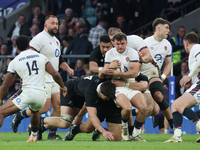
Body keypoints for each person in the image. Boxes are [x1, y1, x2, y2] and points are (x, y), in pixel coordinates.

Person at [11, 15, 74, 140]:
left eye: (57, 23)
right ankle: (20, 116)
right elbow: (30, 56)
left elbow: (58, 59)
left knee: (57, 105)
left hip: (54, 77)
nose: (56, 26)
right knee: (44, 107)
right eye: (53, 23)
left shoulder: (56, 40)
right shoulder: (38, 39)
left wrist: (67, 68)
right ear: (46, 25)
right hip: (42, 77)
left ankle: (51, 134)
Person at [0, 35, 67, 142]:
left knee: (1, 113)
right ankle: (33, 136)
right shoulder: (41, 57)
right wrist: (62, 86)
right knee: (35, 111)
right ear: (29, 45)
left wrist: (0, 98)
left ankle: (22, 121)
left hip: (27, 93)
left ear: (16, 47)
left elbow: (5, 85)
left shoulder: (15, 61)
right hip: (41, 95)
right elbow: (55, 74)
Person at [38, 75, 122, 141]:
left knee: (67, 121)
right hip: (69, 90)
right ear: (100, 92)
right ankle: (37, 120)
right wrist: (104, 132)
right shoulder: (90, 93)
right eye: (106, 97)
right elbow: (92, 116)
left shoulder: (105, 85)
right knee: (64, 123)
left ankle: (41, 128)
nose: (108, 99)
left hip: (80, 95)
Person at [104, 32, 149, 141]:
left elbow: (134, 73)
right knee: (127, 108)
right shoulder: (110, 53)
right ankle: (124, 125)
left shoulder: (133, 53)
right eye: (118, 44)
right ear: (113, 43)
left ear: (126, 43)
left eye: (122, 43)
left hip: (130, 85)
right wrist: (110, 67)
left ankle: (135, 133)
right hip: (117, 87)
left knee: (144, 108)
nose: (120, 46)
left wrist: (116, 74)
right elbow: (106, 72)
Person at [165, 33, 200, 143]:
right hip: (196, 84)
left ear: (186, 43)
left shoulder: (196, 47)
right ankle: (177, 136)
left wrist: (188, 76)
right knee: (175, 105)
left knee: (179, 105)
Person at [142, 18, 173, 131]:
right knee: (149, 108)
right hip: (142, 77)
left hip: (156, 77)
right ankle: (137, 126)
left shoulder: (168, 45)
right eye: (166, 28)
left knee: (159, 97)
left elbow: (169, 64)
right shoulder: (145, 43)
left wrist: (163, 77)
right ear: (158, 28)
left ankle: (173, 125)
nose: (168, 31)